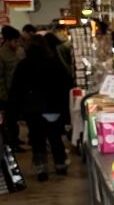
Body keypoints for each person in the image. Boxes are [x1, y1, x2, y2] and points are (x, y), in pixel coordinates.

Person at [10, 35, 72, 181]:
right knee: (55, 137)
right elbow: (65, 86)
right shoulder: (55, 64)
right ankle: (60, 165)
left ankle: (41, 169)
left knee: (37, 139)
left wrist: (15, 111)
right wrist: (65, 110)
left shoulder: (23, 66)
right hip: (53, 108)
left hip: (33, 110)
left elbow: (16, 90)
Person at [0, 26, 23, 151]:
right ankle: (12, 143)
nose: (17, 44)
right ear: (8, 41)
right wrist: (4, 95)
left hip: (17, 92)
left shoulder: (17, 52)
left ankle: (15, 140)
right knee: (10, 121)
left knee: (14, 119)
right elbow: (1, 78)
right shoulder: (2, 54)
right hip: (8, 94)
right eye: (15, 41)